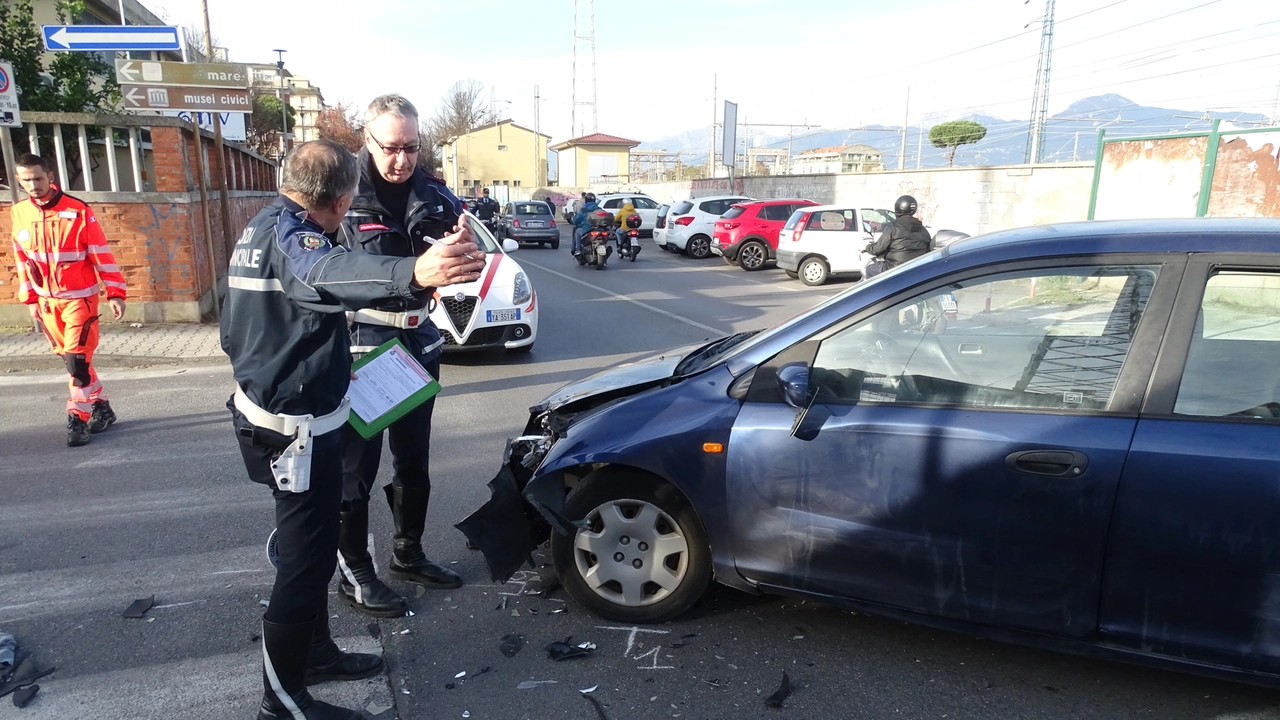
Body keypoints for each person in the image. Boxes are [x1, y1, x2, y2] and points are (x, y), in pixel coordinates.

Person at [223, 138, 485, 719]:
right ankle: (284, 701)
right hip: (295, 430)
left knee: (313, 556)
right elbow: (324, 269)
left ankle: (315, 653)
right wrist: (413, 270)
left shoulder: (261, 223)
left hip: (283, 415)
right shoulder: (295, 236)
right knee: (303, 566)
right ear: (343, 202)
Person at [336, 94, 467, 618]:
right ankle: (355, 571)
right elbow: (328, 275)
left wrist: (468, 260)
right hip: (364, 348)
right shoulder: (342, 194)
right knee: (356, 470)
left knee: (414, 461)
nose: (402, 159)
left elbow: (464, 250)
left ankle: (408, 552)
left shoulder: (435, 192)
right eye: (391, 147)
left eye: (411, 147)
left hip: (418, 343)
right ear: (366, 142)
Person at [10, 153, 126, 447]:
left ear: (50, 176)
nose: (34, 184)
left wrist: (115, 292)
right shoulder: (19, 212)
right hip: (48, 303)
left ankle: (78, 418)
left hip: (80, 300)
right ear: (19, 181)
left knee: (76, 362)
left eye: (38, 178)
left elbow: (100, 252)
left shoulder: (77, 210)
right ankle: (102, 406)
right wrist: (31, 298)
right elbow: (22, 259)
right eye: (27, 180)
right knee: (76, 362)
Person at [865, 195, 933, 273]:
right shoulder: (923, 229)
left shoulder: (893, 227)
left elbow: (877, 249)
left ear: (898, 208)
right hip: (916, 269)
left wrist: (867, 248)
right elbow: (928, 249)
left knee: (869, 269)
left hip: (894, 268)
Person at [570, 192, 599, 257]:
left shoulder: (584, 210)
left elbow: (576, 221)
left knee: (577, 232)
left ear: (586, 200)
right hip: (599, 229)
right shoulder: (598, 208)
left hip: (587, 230)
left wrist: (573, 221)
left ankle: (577, 250)